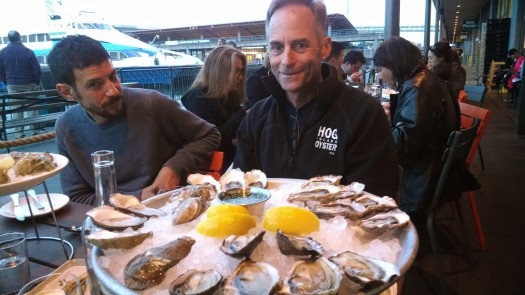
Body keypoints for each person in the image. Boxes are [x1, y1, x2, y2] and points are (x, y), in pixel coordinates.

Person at [233, 0, 399, 198]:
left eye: (300, 45)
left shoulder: (365, 115)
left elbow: (373, 211)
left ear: (325, 47)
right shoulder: (256, 118)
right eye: (277, 47)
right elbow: (240, 198)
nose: (286, 60)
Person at [47, 35, 220, 205]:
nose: (113, 91)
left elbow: (210, 134)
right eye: (95, 84)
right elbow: (78, 198)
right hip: (109, 222)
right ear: (67, 92)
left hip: (169, 210)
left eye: (113, 76)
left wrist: (174, 167)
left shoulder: (151, 104)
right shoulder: (66, 127)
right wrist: (137, 197)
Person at [374, 36, 474, 214]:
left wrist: (380, 125)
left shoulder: (417, 88)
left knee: (370, 171)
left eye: (382, 68)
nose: (381, 74)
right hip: (439, 170)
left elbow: (404, 145)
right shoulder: (428, 79)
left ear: (395, 64)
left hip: (424, 180)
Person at [182, 46, 247, 173]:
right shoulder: (198, 98)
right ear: (220, 72)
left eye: (242, 72)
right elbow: (210, 140)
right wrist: (241, 116)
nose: (240, 78)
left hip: (230, 164)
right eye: (237, 71)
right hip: (211, 172)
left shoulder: (228, 96)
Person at [0, 30, 43, 138]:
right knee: (32, 108)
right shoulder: (28, 51)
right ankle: (35, 130)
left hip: (13, 85)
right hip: (30, 83)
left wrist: (7, 81)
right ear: (20, 38)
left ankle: (19, 132)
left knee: (16, 108)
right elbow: (37, 69)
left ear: (9, 39)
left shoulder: (3, 52)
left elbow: (0, 70)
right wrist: (36, 81)